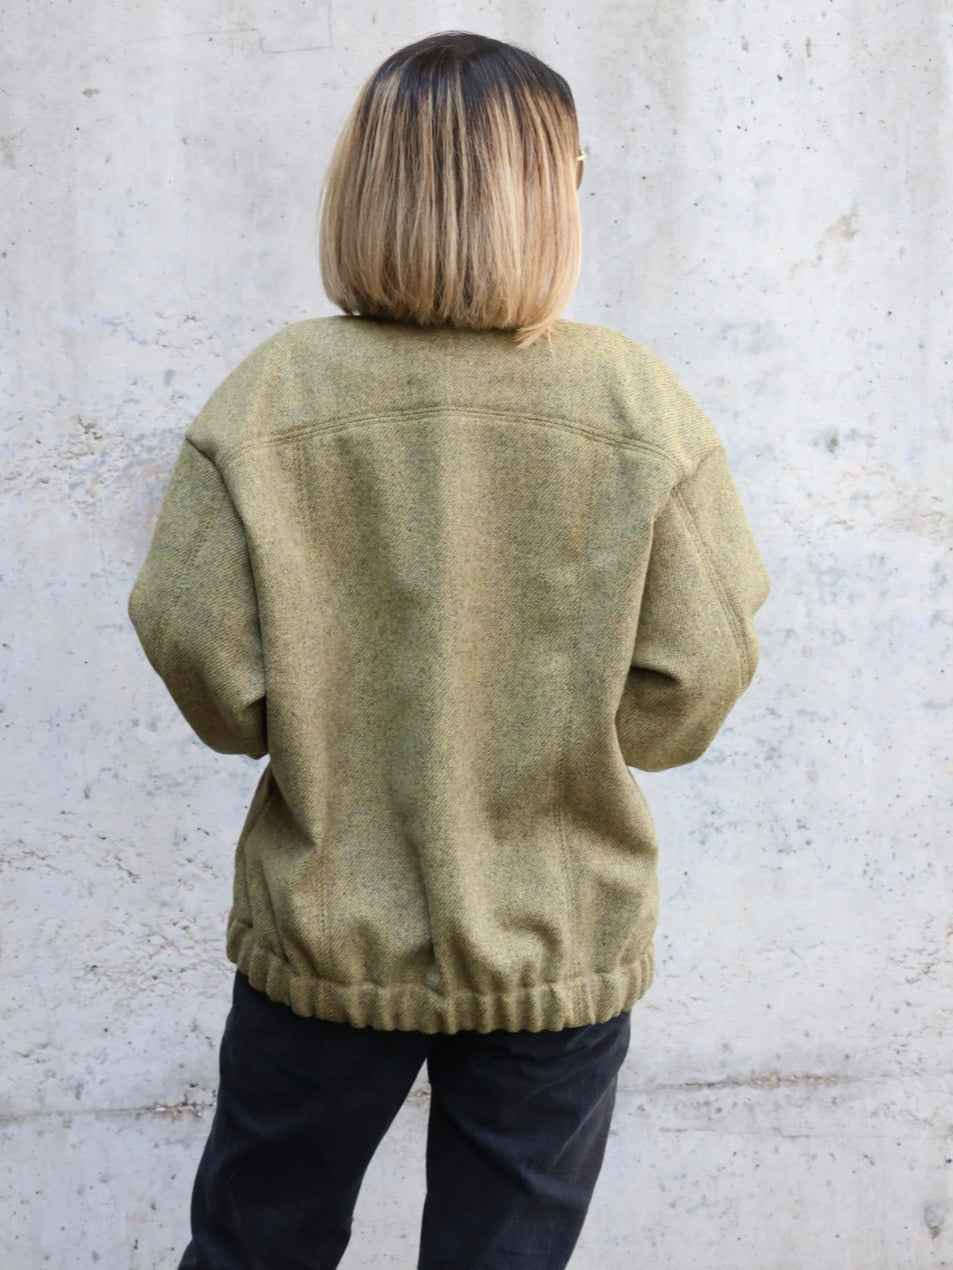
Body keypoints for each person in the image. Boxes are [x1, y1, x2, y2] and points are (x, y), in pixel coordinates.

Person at [126, 29, 771, 1270]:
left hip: (327, 939)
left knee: (253, 1251)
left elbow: (202, 658)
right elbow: (690, 686)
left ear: (365, 183)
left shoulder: (272, 395)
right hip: (553, 943)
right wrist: (568, 724)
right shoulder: (635, 403)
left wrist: (315, 710)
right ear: (547, 196)